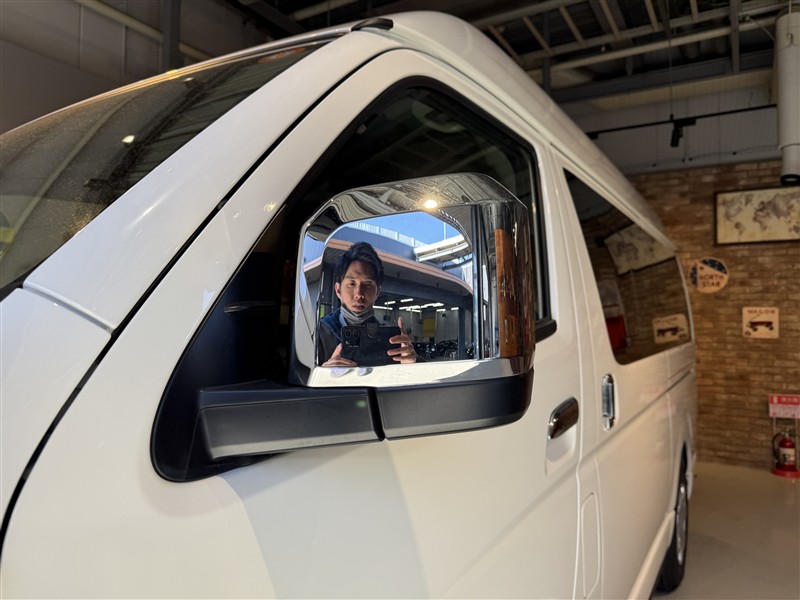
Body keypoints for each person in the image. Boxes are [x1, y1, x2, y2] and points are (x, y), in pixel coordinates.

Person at [317, 241, 417, 367]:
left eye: (368, 284)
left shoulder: (387, 338)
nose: (359, 294)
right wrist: (323, 373)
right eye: (351, 283)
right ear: (338, 290)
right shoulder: (318, 333)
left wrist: (411, 364)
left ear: (377, 292)